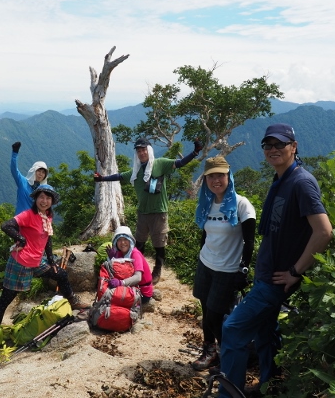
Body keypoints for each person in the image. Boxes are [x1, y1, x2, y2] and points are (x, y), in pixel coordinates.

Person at [216, 123, 333, 396]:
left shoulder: (302, 183)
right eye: (268, 145)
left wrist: (295, 271)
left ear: (294, 147)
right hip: (266, 275)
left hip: (276, 280)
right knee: (266, 333)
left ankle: (229, 394)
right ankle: (271, 385)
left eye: (280, 144)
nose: (273, 149)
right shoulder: (281, 179)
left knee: (232, 329)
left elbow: (324, 231)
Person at [0, 184, 89, 345]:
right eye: (41, 197)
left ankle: (72, 300)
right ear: (35, 199)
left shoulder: (48, 216)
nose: (44, 201)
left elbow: (47, 238)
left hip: (37, 261)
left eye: (48, 198)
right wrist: (20, 239)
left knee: (61, 274)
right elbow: (6, 225)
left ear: (52, 201)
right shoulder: (28, 215)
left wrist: (50, 260)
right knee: (7, 297)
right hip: (20, 262)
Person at [94, 138, 203, 284]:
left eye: (144, 149)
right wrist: (102, 179)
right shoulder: (136, 171)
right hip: (142, 213)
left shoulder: (160, 164)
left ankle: (157, 270)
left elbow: (179, 163)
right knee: (139, 243)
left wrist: (195, 152)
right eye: (139, 151)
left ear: (149, 150)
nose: (141, 153)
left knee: (159, 244)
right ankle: (137, 269)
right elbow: (119, 176)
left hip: (159, 212)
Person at [190, 156, 256, 371]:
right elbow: (205, 235)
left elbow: (249, 241)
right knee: (206, 310)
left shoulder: (241, 204)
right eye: (210, 176)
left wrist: (243, 269)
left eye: (220, 175)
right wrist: (200, 256)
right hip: (206, 264)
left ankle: (231, 354)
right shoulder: (207, 203)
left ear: (229, 176)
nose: (215, 180)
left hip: (227, 270)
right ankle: (210, 351)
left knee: (215, 316)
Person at [105, 225, 154, 310]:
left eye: (125, 239)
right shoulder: (120, 253)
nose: (122, 243)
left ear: (130, 240)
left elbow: (138, 277)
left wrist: (121, 283)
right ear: (116, 242)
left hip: (142, 292)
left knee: (112, 302)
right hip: (132, 287)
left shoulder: (135, 254)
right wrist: (111, 259)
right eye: (119, 240)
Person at [10, 141, 49, 215]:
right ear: (34, 171)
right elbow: (14, 170)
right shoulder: (22, 182)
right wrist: (15, 153)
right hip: (20, 222)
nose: (41, 174)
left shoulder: (42, 190)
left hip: (34, 224)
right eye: (39, 171)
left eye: (43, 172)